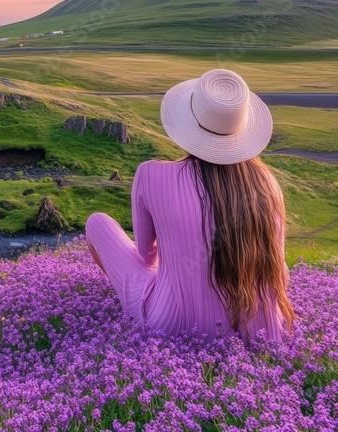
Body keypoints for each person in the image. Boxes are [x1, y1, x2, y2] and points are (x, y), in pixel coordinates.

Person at [86, 69, 293, 341]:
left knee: (97, 224)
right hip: (264, 330)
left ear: (189, 122)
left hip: (172, 324)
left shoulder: (151, 174)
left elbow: (148, 258)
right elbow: (281, 269)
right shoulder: (268, 183)